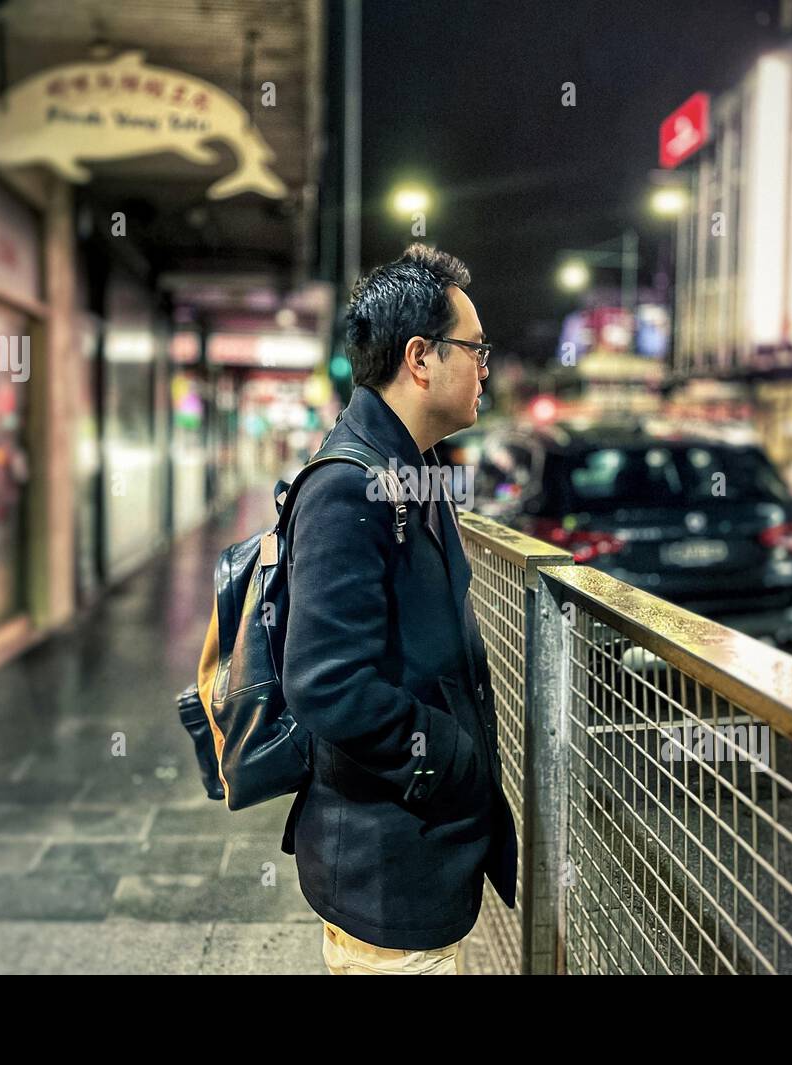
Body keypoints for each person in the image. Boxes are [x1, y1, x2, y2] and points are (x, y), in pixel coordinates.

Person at [280, 243, 516, 975]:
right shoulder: (350, 485)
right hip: (386, 873)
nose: (485, 367)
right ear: (421, 357)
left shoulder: (415, 468)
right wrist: (448, 757)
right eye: (475, 349)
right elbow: (325, 682)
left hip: (414, 853)